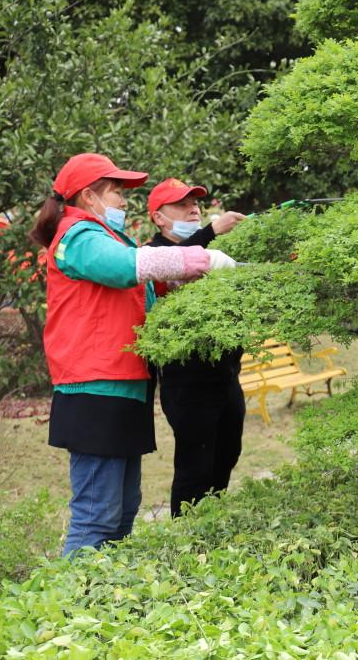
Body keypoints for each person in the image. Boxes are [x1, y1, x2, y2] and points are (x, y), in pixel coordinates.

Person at [29, 153, 236, 557]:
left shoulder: (104, 235)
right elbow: (124, 267)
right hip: (95, 388)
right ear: (89, 196)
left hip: (125, 386)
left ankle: (106, 604)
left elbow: (139, 297)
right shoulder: (78, 236)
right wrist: (200, 256)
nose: (125, 202)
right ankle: (70, 607)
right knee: (97, 516)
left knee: (124, 511)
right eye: (117, 192)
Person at [147, 178, 247, 517]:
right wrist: (211, 229)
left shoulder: (212, 253)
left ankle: (211, 534)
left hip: (227, 376)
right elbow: (174, 263)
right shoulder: (153, 255)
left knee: (227, 456)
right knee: (195, 469)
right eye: (182, 205)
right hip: (188, 384)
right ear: (158, 217)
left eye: (196, 204)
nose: (193, 210)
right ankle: (186, 540)